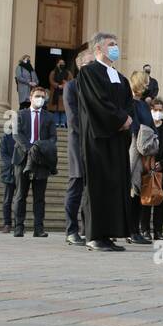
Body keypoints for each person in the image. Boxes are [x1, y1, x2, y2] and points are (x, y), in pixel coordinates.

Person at [75, 32, 134, 251]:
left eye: (116, 44)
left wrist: (128, 119)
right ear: (98, 49)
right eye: (111, 44)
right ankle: (94, 235)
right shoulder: (88, 73)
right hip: (98, 138)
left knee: (116, 184)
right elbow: (96, 102)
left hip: (118, 140)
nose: (115, 48)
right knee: (98, 185)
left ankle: (109, 234)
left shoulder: (121, 77)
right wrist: (119, 120)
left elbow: (129, 104)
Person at [12, 86, 58, 237]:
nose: (40, 99)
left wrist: (39, 149)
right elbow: (16, 134)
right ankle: (19, 227)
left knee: (40, 197)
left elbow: (53, 138)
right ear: (30, 97)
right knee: (20, 195)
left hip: (41, 160)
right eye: (37, 96)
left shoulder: (49, 117)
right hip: (22, 158)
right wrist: (30, 149)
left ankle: (39, 228)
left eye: (42, 96)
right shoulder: (20, 115)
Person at [63, 48, 93, 246]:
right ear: (81, 65)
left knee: (91, 190)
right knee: (76, 185)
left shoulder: (95, 89)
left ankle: (88, 229)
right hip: (78, 143)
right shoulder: (71, 87)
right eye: (90, 64)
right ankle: (71, 230)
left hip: (95, 144)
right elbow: (73, 119)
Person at [140, 99, 163, 241]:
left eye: (160, 110)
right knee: (145, 200)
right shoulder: (145, 127)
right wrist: (149, 163)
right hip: (147, 167)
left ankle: (157, 231)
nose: (157, 113)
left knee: (160, 201)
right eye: (155, 110)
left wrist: (162, 163)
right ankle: (144, 229)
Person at [125, 69, 155, 246]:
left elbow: (151, 126)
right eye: (145, 81)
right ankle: (130, 230)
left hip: (146, 150)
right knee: (131, 190)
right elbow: (133, 127)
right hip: (132, 150)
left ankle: (136, 230)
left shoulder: (144, 105)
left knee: (138, 192)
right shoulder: (128, 103)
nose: (148, 85)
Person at [0, 127, 16, 233]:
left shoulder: (24, 136)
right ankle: (7, 224)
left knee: (20, 200)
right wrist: (14, 163)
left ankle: (19, 224)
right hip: (8, 172)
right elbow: (3, 155)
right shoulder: (5, 138)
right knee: (7, 200)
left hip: (21, 172)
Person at [49, 59, 70, 129]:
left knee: (64, 110)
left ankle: (63, 123)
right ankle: (56, 123)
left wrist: (65, 84)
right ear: (57, 64)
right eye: (60, 63)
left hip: (65, 93)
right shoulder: (53, 72)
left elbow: (71, 80)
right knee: (56, 109)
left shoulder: (68, 72)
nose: (62, 64)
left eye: (63, 63)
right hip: (55, 93)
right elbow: (51, 80)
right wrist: (57, 85)